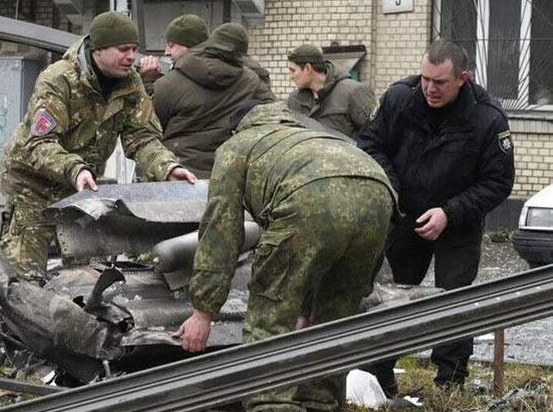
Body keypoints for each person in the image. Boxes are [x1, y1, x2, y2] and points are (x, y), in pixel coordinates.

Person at [174, 100, 395, 412]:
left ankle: (271, 403)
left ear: (235, 129)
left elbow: (221, 230)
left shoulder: (237, 146)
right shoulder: (308, 137)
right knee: (334, 316)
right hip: (379, 194)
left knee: (270, 314)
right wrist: (307, 308)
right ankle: (321, 402)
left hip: (310, 199)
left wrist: (203, 312)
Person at [357, 39, 515, 395]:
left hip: (457, 221)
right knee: (389, 297)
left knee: (453, 300)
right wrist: (391, 188)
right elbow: (370, 144)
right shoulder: (400, 98)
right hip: (405, 214)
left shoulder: (487, 118)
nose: (430, 88)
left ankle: (450, 383)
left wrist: (449, 212)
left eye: (439, 82)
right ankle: (378, 376)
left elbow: (499, 181)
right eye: (425, 78)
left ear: (462, 78)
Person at [0, 11, 196, 275]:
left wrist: (167, 168)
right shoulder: (59, 79)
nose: (130, 57)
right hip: (32, 187)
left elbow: (142, 137)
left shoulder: (131, 84)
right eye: (123, 48)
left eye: (134, 49)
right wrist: (75, 169)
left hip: (80, 191)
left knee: (85, 278)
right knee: (24, 280)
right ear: (98, 49)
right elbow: (40, 143)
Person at [152, 23, 274, 178]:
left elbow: (150, 130)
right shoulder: (252, 82)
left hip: (179, 174)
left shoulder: (170, 82)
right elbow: (276, 116)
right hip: (229, 178)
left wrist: (148, 83)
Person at [286, 44, 375, 140]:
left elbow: (376, 135)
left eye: (293, 70)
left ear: (307, 68)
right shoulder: (294, 100)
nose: (290, 76)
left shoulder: (353, 92)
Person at [139, 13, 209, 92]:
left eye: (171, 46)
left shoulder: (190, 80)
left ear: (190, 46)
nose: (166, 52)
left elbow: (162, 102)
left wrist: (148, 80)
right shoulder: (209, 72)